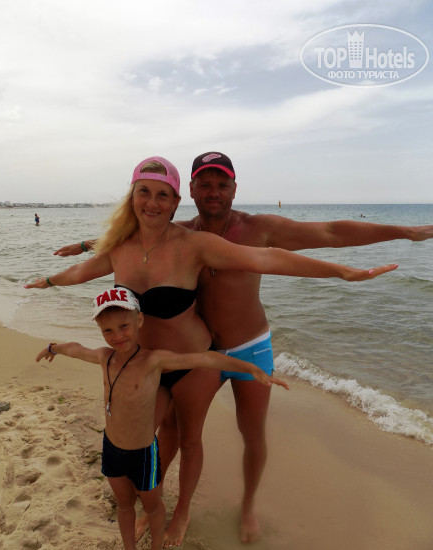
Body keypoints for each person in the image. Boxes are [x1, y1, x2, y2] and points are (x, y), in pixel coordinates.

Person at [53, 153, 433, 544]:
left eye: (222, 185)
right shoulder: (182, 232)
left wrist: (405, 233)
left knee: (252, 434)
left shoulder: (259, 228)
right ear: (191, 191)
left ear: (235, 189)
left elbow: (331, 231)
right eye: (205, 185)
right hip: (203, 351)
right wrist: (84, 245)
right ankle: (157, 504)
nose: (213, 193)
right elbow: (137, 236)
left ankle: (247, 505)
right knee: (174, 431)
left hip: (249, 347)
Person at [35, 286, 288, 550]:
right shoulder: (104, 357)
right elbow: (75, 349)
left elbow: (204, 359)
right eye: (107, 330)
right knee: (124, 505)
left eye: (124, 326)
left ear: (139, 320)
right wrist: (53, 347)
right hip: (111, 448)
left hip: (143, 454)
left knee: (153, 507)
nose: (117, 336)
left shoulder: (154, 361)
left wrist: (250, 368)